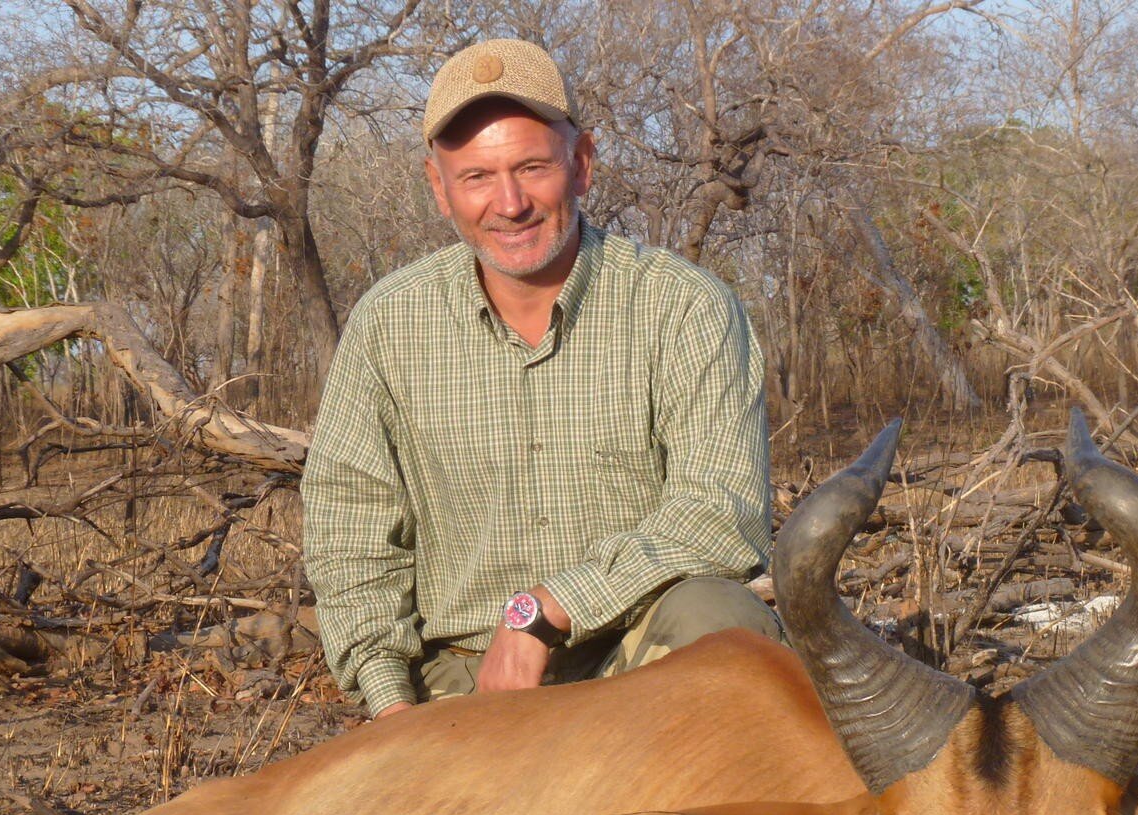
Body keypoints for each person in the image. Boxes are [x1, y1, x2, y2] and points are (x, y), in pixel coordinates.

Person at [300, 38, 782, 719]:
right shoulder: (387, 324)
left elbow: (719, 517)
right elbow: (351, 535)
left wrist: (547, 610)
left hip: (639, 658)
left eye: (532, 167)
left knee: (724, 619)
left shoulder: (684, 306)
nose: (510, 203)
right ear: (439, 188)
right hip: (465, 684)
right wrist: (390, 712)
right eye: (476, 178)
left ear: (581, 164)